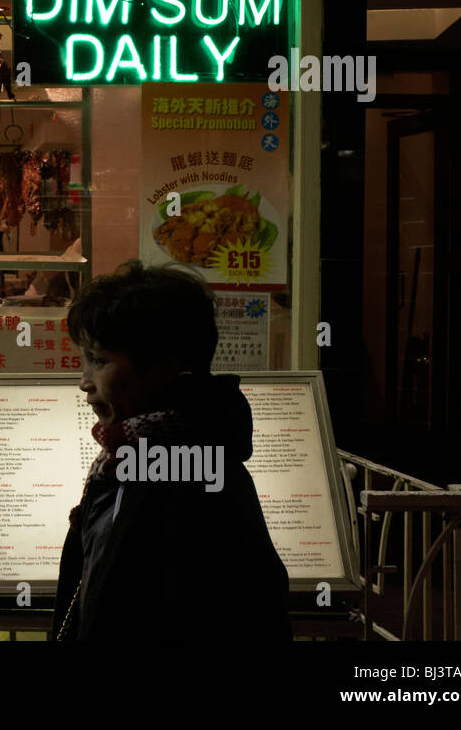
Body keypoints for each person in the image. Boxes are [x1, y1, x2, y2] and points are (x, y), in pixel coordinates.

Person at [52, 259, 291, 641]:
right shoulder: (130, 458)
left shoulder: (195, 477)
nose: (84, 382)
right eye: (84, 359)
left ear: (165, 366)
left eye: (99, 361)